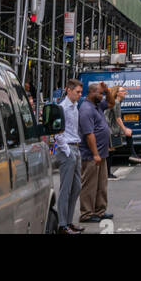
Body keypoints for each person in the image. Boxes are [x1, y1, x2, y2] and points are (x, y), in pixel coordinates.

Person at [78, 82, 113, 224]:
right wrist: (95, 154)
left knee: (101, 185)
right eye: (100, 93)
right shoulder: (86, 109)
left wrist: (108, 90)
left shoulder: (97, 105)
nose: (102, 96)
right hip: (91, 154)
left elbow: (111, 103)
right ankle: (86, 213)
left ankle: (100, 210)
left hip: (101, 153)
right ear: (92, 93)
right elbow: (89, 134)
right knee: (89, 185)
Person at [53, 80, 84, 235]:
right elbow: (57, 132)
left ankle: (69, 222)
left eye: (80, 92)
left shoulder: (75, 106)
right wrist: (66, 150)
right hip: (68, 150)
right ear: (68, 90)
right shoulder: (62, 108)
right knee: (65, 188)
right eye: (77, 92)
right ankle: (62, 224)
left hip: (75, 148)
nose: (80, 95)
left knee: (77, 186)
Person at [105, 84, 141, 173]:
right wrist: (124, 130)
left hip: (111, 128)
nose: (125, 92)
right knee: (110, 150)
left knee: (111, 150)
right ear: (117, 93)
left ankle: (133, 154)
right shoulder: (116, 102)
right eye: (122, 91)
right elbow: (118, 118)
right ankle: (132, 154)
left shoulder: (116, 102)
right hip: (110, 129)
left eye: (125, 91)